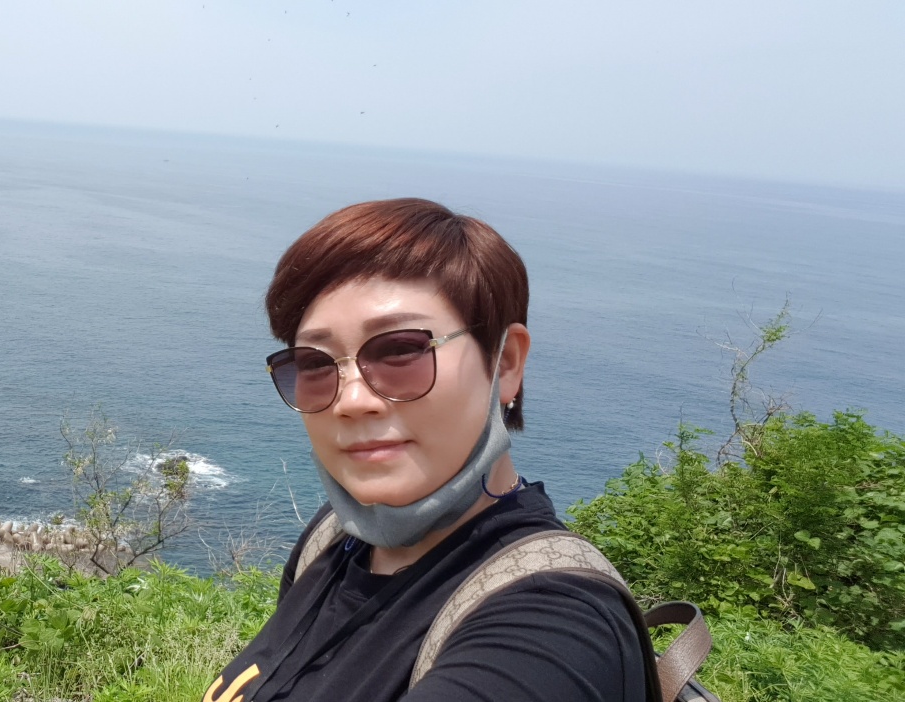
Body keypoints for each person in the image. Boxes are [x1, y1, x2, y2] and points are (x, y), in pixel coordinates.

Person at [204, 199, 647, 702]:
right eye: (315, 363)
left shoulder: (553, 625)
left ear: (505, 363)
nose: (352, 401)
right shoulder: (332, 540)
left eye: (400, 350)